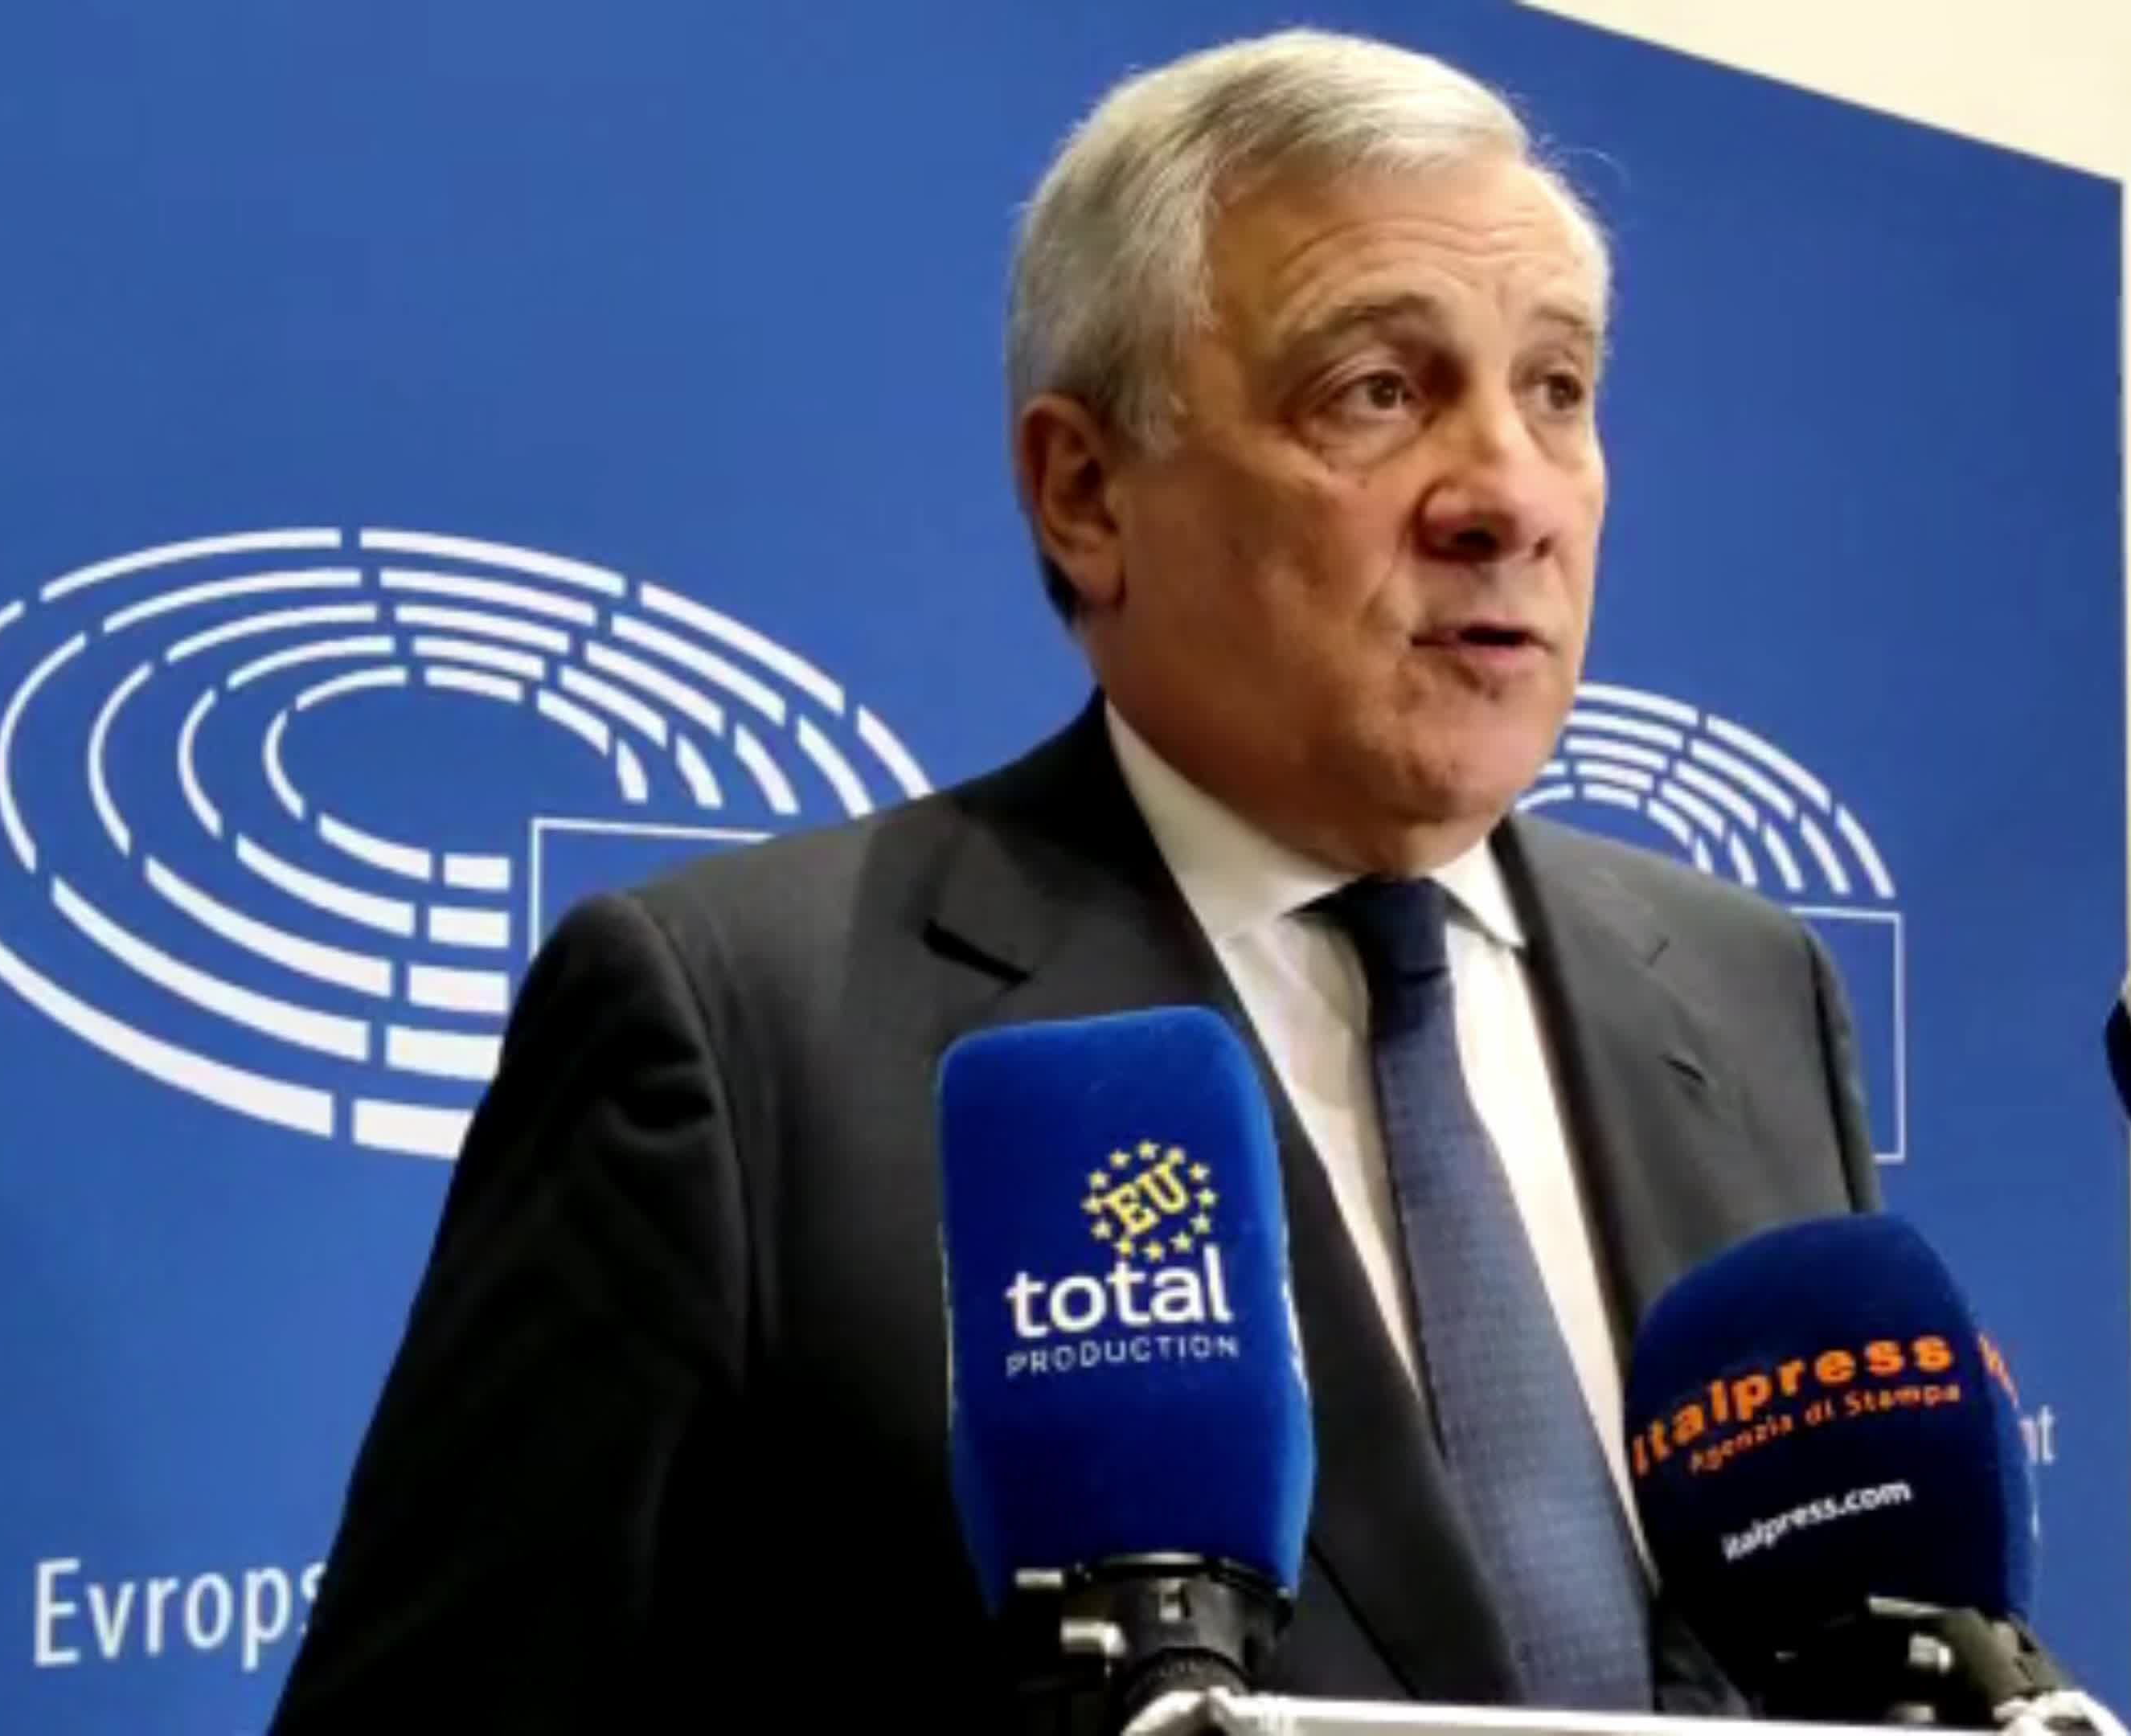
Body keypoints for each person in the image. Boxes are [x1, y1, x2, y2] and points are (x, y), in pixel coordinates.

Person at [274, 29, 1876, 1729]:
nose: (1508, 495)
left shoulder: (1746, 987)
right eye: (1377, 392)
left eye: (1555, 390)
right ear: (1086, 493)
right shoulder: (740, 1043)